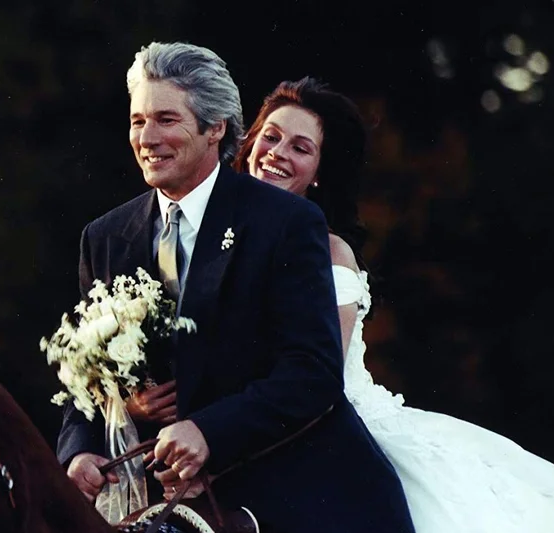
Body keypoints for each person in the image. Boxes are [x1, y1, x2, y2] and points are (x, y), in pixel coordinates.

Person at [56, 42, 416, 533]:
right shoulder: (104, 236)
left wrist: (209, 431)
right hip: (154, 496)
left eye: (166, 119)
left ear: (216, 128)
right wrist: (80, 450)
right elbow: (85, 377)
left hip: (282, 486)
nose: (147, 138)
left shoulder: (286, 222)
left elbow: (313, 372)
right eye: (138, 121)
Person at [232, 76, 554, 532]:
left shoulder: (329, 251)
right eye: (271, 137)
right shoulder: (222, 235)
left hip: (327, 433)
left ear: (321, 171)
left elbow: (318, 373)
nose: (277, 153)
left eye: (300, 147)